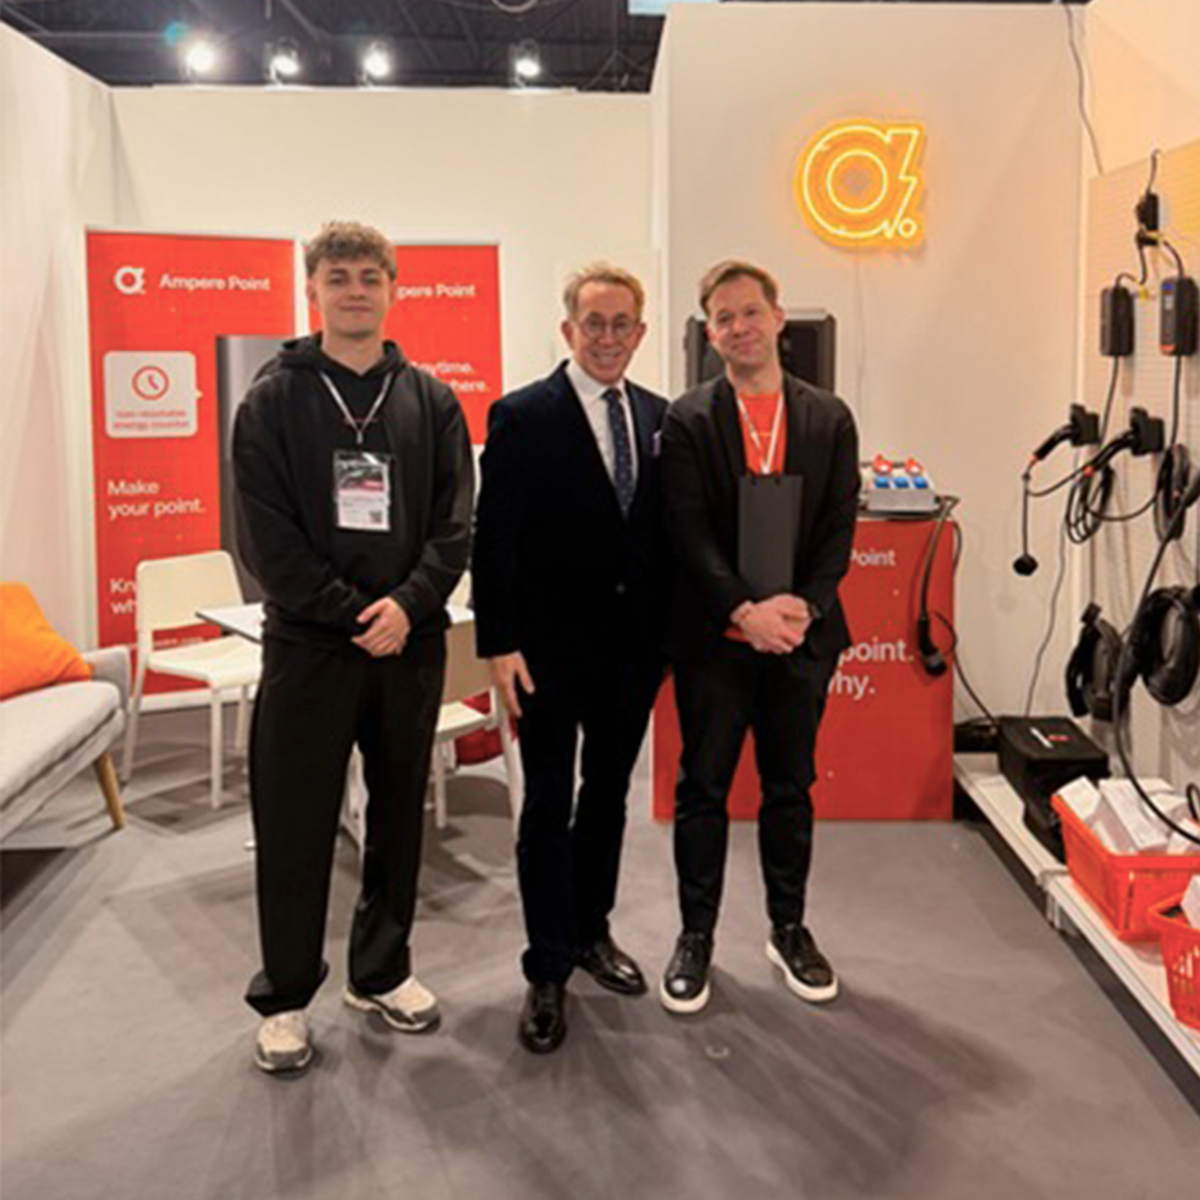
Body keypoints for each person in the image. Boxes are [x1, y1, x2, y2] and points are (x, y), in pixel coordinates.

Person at [233, 221, 473, 1073]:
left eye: (371, 276)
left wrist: (406, 607)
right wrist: (350, 613)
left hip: (408, 645)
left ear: (393, 289)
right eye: (339, 277)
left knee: (400, 815)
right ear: (313, 290)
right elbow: (266, 540)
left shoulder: (431, 401)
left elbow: (454, 524)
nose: (356, 290)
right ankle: (286, 997)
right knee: (294, 821)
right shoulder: (272, 401)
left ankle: (382, 971)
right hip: (310, 647)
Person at [472, 264, 668, 1053]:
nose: (608, 337)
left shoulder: (659, 416)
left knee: (609, 798)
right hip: (545, 656)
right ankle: (547, 966)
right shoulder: (523, 415)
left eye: (622, 324)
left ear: (640, 332)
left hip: (633, 655)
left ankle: (591, 931)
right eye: (594, 323)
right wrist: (498, 643)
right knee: (547, 805)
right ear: (568, 330)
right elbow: (493, 539)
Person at [658, 260, 859, 1014]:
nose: (739, 327)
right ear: (710, 334)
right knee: (702, 790)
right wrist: (745, 612)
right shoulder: (689, 418)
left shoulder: (828, 417)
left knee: (790, 788)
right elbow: (687, 530)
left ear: (778, 317)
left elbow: (837, 526)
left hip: (801, 640)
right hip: (717, 641)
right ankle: (696, 936)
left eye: (750, 312)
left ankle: (789, 928)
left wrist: (802, 607)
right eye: (724, 318)